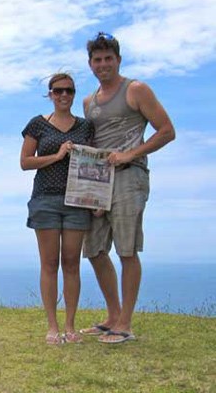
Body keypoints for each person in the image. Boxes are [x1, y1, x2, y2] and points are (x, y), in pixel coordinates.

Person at [80, 32, 175, 343]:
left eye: (109, 58)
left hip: (130, 176)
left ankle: (126, 323)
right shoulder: (88, 101)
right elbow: (94, 144)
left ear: (118, 60)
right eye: (98, 59)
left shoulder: (135, 89)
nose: (103, 64)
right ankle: (113, 315)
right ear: (91, 64)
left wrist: (130, 155)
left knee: (126, 249)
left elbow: (166, 131)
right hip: (97, 181)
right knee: (94, 249)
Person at [20, 73, 94, 345]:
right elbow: (25, 162)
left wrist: (96, 201)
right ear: (50, 94)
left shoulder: (86, 127)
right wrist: (58, 155)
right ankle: (52, 326)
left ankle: (71, 326)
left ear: (74, 94)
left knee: (72, 264)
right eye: (58, 90)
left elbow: (94, 165)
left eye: (69, 91)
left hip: (77, 202)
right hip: (45, 200)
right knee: (49, 264)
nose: (64, 95)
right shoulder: (37, 124)